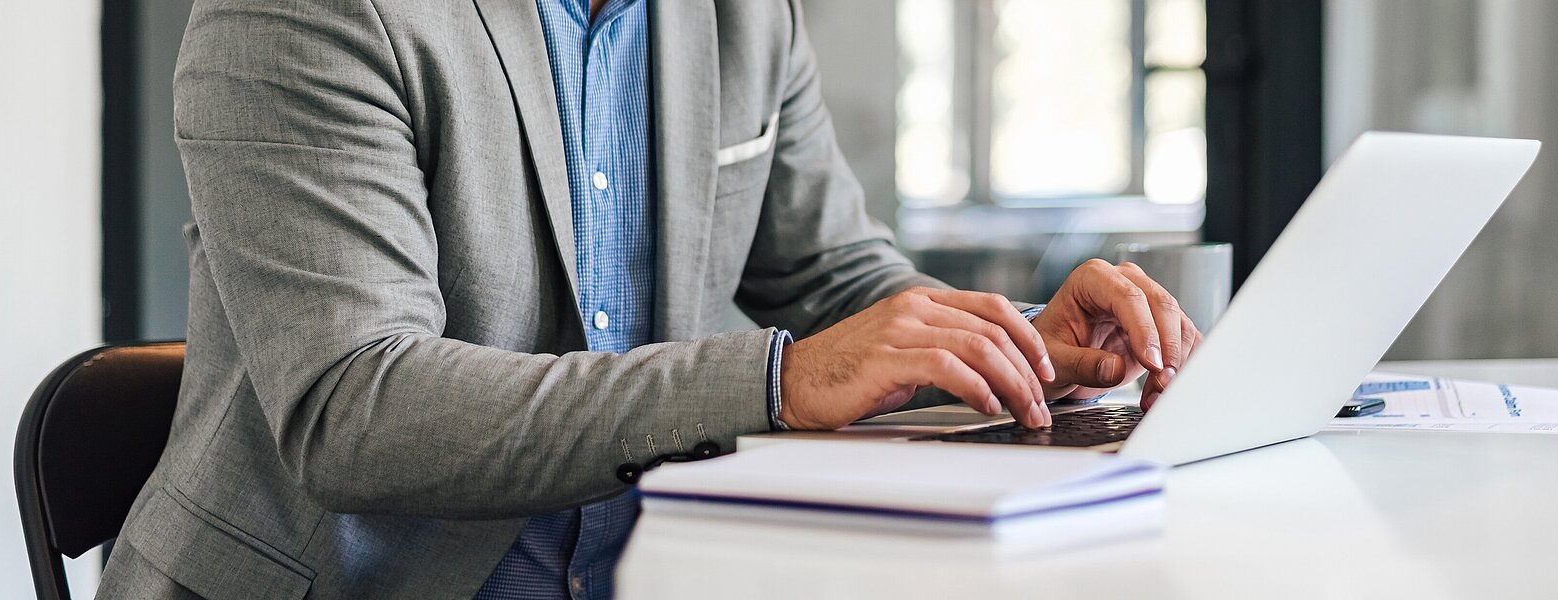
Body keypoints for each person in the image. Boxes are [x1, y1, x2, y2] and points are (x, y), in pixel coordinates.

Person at [96, 0, 1200, 598]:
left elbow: (837, 278)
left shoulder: (744, 17)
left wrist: (1008, 345)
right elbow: (355, 409)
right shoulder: (304, 14)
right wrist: (776, 378)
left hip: (658, 565)